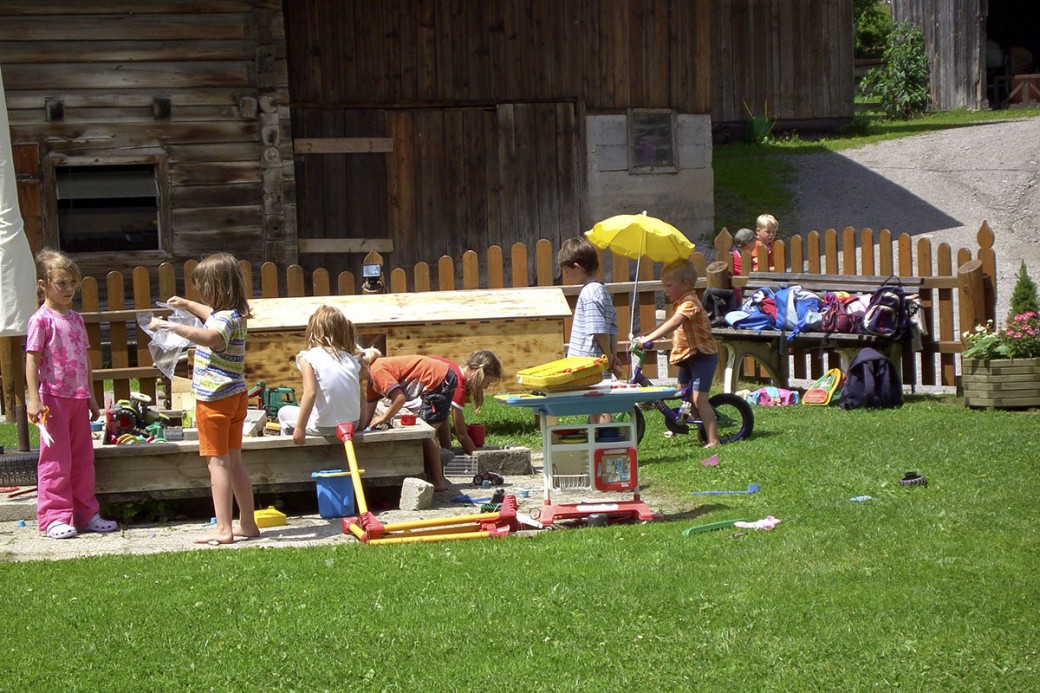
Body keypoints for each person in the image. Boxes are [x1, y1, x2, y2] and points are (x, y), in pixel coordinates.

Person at [149, 252, 260, 545]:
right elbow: (211, 315)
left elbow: (211, 337)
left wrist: (171, 326)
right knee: (234, 463)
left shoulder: (221, 321)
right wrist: (187, 305)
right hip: (236, 395)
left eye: (202, 288)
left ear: (215, 288)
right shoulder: (236, 314)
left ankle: (223, 529)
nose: (200, 293)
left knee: (217, 464)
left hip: (214, 400)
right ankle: (248, 524)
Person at [25, 249, 118, 539]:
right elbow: (31, 359)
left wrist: (90, 395)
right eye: (61, 283)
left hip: (78, 398)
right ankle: (54, 517)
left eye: (72, 283)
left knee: (82, 459)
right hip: (52, 400)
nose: (68, 289)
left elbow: (84, 359)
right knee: (56, 460)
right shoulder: (41, 320)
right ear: (43, 285)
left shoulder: (76, 319)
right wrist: (34, 399)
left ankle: (85, 514)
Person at [634, 258, 720, 448]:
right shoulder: (680, 303)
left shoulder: (690, 302)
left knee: (699, 399)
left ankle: (714, 440)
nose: (665, 291)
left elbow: (674, 323)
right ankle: (701, 431)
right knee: (683, 393)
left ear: (685, 284)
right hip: (688, 356)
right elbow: (668, 322)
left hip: (702, 356)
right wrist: (645, 335)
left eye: (668, 286)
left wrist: (649, 340)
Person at [276, 305, 377, 445]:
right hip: (351, 425)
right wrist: (360, 425)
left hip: (325, 427)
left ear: (314, 330)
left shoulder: (308, 358)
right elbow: (360, 395)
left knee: (283, 412)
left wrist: (299, 428)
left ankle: (292, 453)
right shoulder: (350, 359)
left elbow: (310, 393)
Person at [366, 354, 460, 491]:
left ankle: (439, 481)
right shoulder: (371, 379)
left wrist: (384, 417)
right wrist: (364, 427)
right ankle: (434, 475)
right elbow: (370, 406)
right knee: (430, 426)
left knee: (426, 433)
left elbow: (400, 398)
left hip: (439, 379)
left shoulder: (377, 370)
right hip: (439, 377)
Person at [557, 237, 621, 378]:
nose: (566, 276)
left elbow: (598, 331)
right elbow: (613, 328)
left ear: (577, 268)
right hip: (599, 364)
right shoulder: (602, 291)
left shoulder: (590, 292)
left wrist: (610, 360)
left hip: (587, 366)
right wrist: (612, 355)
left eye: (567, 271)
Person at [432, 350, 502, 455]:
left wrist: (448, 451)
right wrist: (477, 457)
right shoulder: (457, 384)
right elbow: (461, 435)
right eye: (488, 382)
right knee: (429, 436)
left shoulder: (454, 370)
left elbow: (443, 417)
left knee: (441, 415)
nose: (486, 387)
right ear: (479, 375)